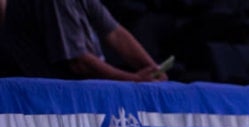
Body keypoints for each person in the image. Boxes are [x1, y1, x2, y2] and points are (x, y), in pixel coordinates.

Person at [0, 0, 165, 81]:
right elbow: (79, 63)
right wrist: (134, 80)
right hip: (44, 103)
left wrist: (153, 70)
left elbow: (115, 33)